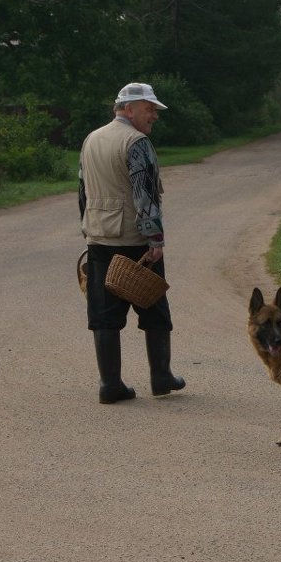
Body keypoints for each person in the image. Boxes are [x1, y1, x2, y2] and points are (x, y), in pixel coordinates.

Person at [79, 82, 185, 404]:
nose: (155, 115)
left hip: (99, 237)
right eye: (149, 108)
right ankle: (161, 377)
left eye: (154, 109)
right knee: (154, 309)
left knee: (103, 315)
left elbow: (83, 191)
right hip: (134, 239)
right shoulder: (137, 142)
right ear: (128, 109)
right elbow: (145, 195)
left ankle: (110, 385)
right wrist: (154, 239)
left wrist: (89, 228)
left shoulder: (91, 139)